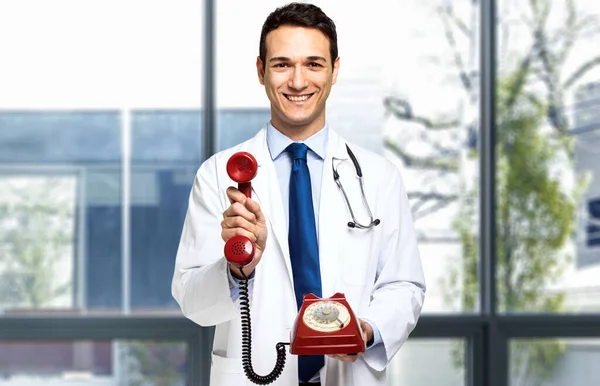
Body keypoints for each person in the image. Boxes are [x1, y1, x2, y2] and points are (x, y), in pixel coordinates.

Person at [171, 3, 426, 386]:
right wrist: (239, 268)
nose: (298, 81)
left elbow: (404, 285)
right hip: (254, 375)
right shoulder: (217, 175)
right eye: (282, 64)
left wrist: (368, 329)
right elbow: (192, 299)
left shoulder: (379, 176)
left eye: (314, 64)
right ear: (260, 71)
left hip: (349, 374)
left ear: (335, 69)